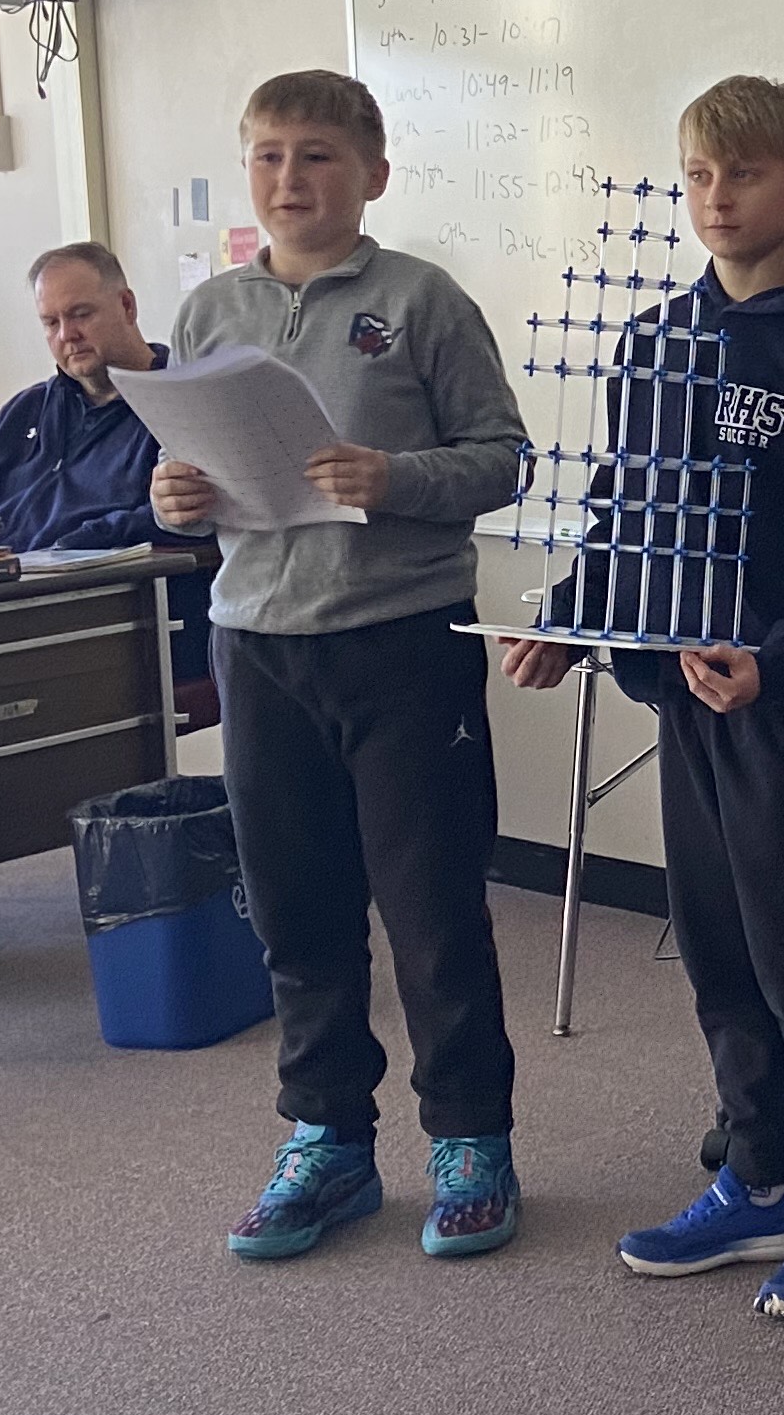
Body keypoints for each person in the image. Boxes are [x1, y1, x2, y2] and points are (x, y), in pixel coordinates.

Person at [505, 76, 784, 1321]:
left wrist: (778, 664)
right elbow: (629, 513)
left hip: (781, 697)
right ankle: (754, 1176)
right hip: (683, 689)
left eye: (743, 175)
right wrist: (575, 622)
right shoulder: (654, 344)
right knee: (718, 942)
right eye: (697, 177)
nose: (718, 198)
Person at [150, 69, 533, 1267]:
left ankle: (470, 1140)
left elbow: (502, 457)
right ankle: (328, 1140)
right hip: (258, 640)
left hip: (400, 639)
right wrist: (172, 498)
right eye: (267, 156)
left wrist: (395, 478)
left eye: (315, 156)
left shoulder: (420, 300)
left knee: (430, 910)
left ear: (370, 173)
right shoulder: (211, 311)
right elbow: (193, 469)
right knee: (297, 910)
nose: (288, 180)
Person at [0, 242, 169, 548]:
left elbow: (176, 517)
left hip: (95, 586)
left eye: (81, 314)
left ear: (127, 306)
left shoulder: (177, 406)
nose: (66, 335)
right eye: (51, 322)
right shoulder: (25, 411)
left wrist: (70, 546)